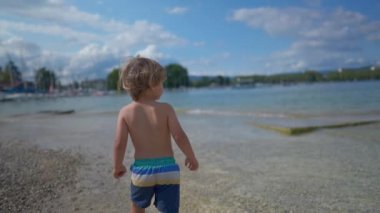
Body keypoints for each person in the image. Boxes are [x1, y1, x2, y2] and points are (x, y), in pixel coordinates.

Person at [112, 57, 199, 213]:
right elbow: (179, 136)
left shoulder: (125, 112)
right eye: (161, 83)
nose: (163, 87)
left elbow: (119, 144)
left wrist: (118, 166)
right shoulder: (166, 109)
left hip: (142, 171)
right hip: (168, 170)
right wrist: (191, 157)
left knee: (137, 208)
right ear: (152, 85)